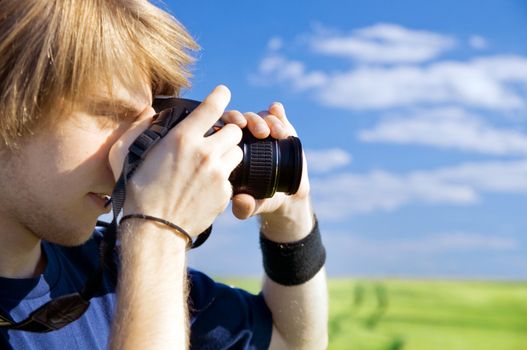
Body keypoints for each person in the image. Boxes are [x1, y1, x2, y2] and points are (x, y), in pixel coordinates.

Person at [0, 0, 328, 349]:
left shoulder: (109, 270)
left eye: (145, 126)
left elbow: (290, 343)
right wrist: (158, 231)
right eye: (111, 114)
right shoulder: (146, 257)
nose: (131, 154)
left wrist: (290, 216)